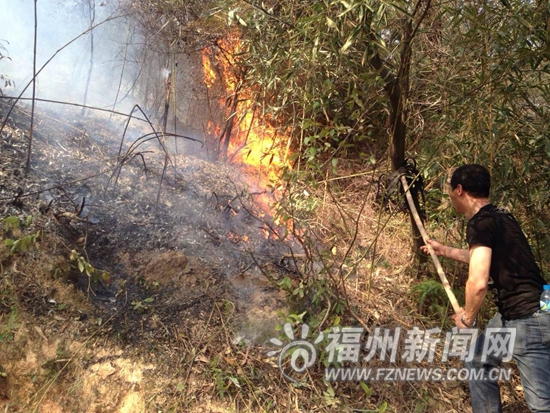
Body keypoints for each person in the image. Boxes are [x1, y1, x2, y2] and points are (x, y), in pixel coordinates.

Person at [420, 164, 550, 412]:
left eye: (449, 191)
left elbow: (478, 283)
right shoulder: (501, 215)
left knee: (541, 405)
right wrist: (444, 250)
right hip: (532, 307)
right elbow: (483, 258)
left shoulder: (480, 223)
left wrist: (467, 319)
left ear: (459, 189)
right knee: (477, 360)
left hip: (528, 317)